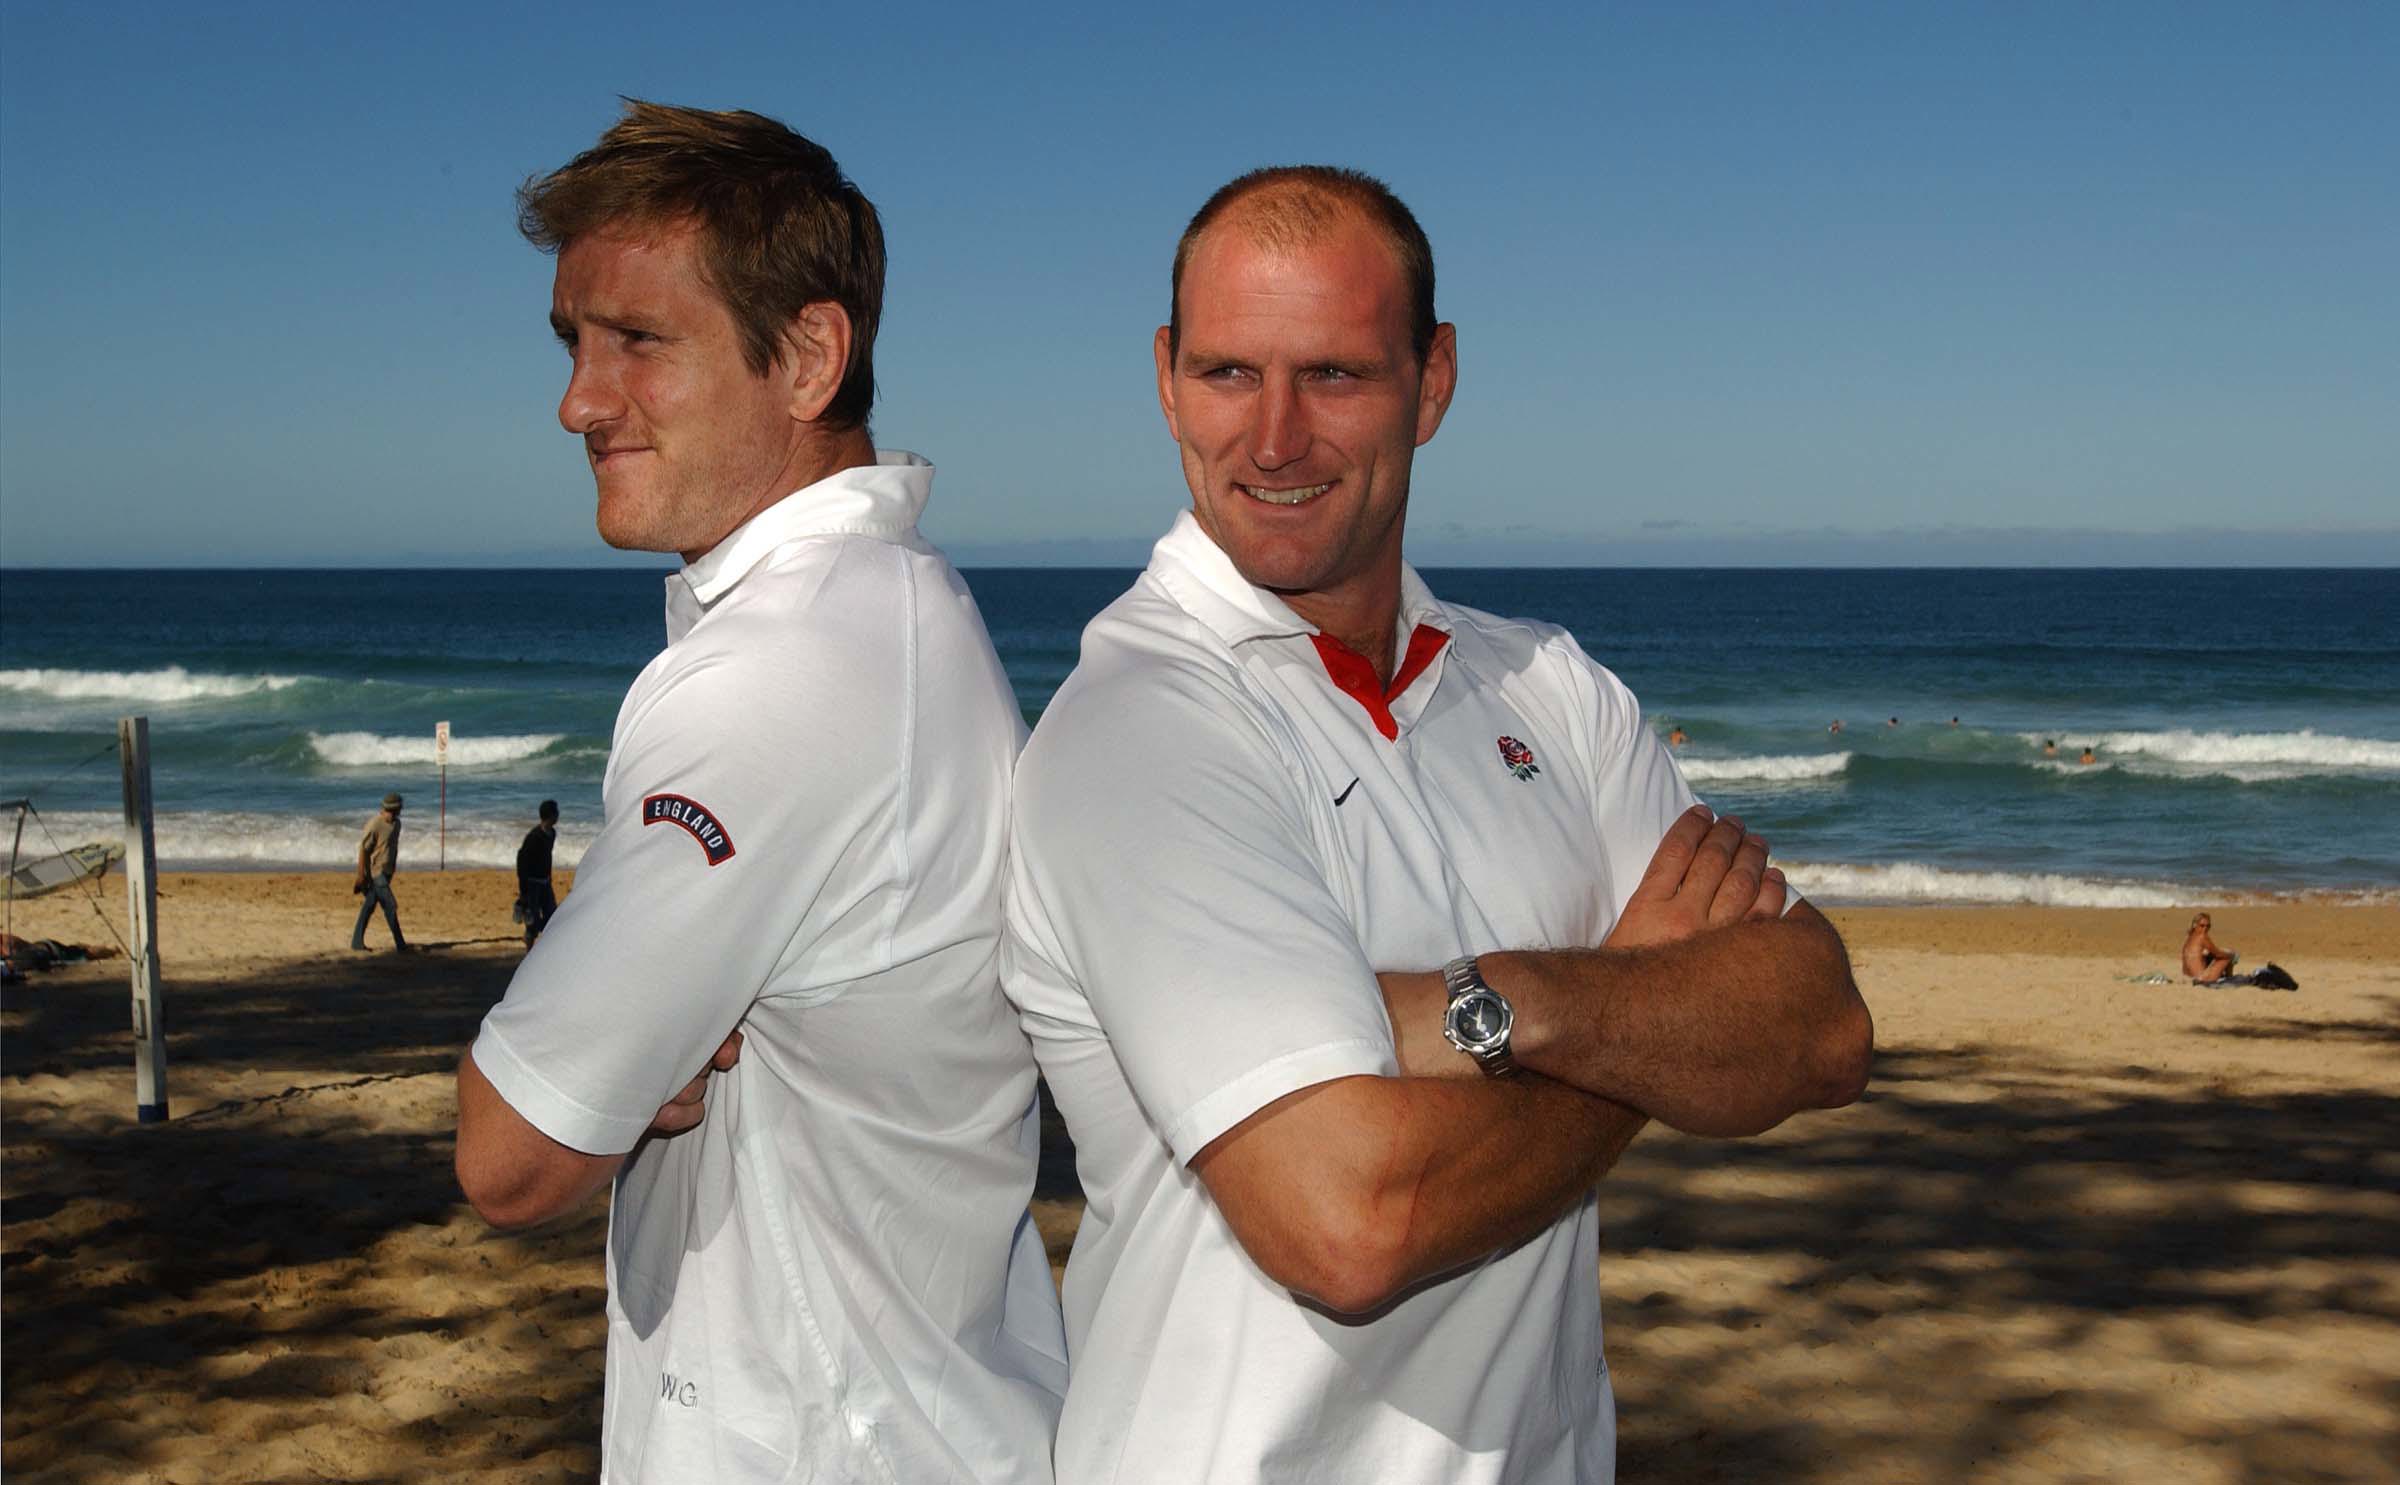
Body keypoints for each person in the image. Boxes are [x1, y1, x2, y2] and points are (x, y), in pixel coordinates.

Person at [1004, 166, 1872, 1484]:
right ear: (1169, 378)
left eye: (1337, 376)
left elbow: (1817, 1025)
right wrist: (1643, 1006)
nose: (1276, 438)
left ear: (1434, 379)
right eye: (1231, 372)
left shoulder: (1545, 685)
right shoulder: (1144, 730)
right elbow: (1354, 1225)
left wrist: (1503, 1001)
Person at [452, 102, 1063, 1483]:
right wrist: (635, 1025)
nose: (579, 399)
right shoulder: (893, 613)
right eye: (572, 341)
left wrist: (599, 1031)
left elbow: (513, 1152)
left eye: (638, 342)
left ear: (808, 357)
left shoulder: (777, 668)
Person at [350, 792, 406, 951]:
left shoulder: (397, 825)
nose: (391, 815)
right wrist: (361, 876)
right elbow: (363, 850)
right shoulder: (375, 824)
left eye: (395, 812)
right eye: (389, 811)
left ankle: (356, 942)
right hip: (376, 873)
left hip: (387, 872)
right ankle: (400, 944)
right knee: (391, 906)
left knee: (369, 907)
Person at [514, 799, 560, 946]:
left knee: (551, 917)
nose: (558, 816)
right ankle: (529, 950)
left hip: (545, 882)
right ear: (550, 816)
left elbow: (548, 857)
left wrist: (549, 877)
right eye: (556, 813)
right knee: (532, 921)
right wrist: (523, 890)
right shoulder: (534, 837)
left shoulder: (552, 834)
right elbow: (522, 861)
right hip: (532, 884)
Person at [2183, 912, 2238, 983]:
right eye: (2202, 926)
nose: (2205, 928)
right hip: (2201, 978)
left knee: (2211, 955)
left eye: (2208, 926)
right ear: (2195, 925)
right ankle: (2229, 978)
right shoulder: (2202, 937)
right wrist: (2232, 955)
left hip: (2188, 976)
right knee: (2227, 955)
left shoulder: (2189, 937)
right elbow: (2218, 954)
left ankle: (2228, 977)